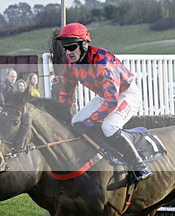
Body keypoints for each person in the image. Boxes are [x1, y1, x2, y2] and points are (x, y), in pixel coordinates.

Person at [55, 22, 152, 183]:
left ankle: (139, 166)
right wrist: (61, 115)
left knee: (109, 126)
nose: (68, 52)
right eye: (65, 47)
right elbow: (66, 93)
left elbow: (112, 100)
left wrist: (89, 121)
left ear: (84, 44)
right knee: (75, 121)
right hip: (104, 95)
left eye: (71, 47)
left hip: (126, 94)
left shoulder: (102, 62)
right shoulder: (70, 64)